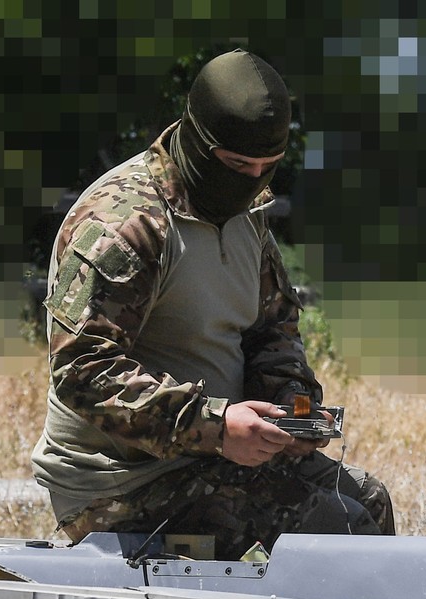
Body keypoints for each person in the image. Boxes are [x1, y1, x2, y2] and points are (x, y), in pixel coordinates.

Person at [31, 49, 395, 557]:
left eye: (267, 167)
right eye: (237, 165)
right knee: (336, 527)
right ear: (198, 140)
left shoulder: (249, 213)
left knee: (369, 503)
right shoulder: (126, 223)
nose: (251, 181)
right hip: (120, 480)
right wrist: (216, 426)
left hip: (213, 451)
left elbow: (272, 329)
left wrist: (291, 409)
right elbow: (82, 373)